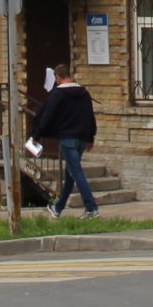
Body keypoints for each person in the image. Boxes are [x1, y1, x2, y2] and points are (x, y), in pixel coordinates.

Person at [30, 62, 99, 219]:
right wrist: (91, 137)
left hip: (67, 139)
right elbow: (90, 115)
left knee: (76, 172)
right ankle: (58, 208)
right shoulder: (83, 92)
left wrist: (36, 135)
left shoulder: (58, 94)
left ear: (57, 77)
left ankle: (91, 208)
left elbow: (47, 116)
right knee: (70, 174)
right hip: (82, 139)